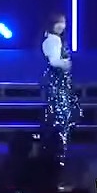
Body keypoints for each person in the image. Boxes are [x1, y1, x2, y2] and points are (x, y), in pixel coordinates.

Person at [40, 12, 78, 162]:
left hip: (61, 81)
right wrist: (65, 64)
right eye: (58, 22)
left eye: (63, 22)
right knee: (59, 115)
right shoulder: (52, 40)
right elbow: (54, 61)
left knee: (63, 115)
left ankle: (60, 149)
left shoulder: (57, 39)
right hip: (56, 82)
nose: (61, 26)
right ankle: (58, 151)